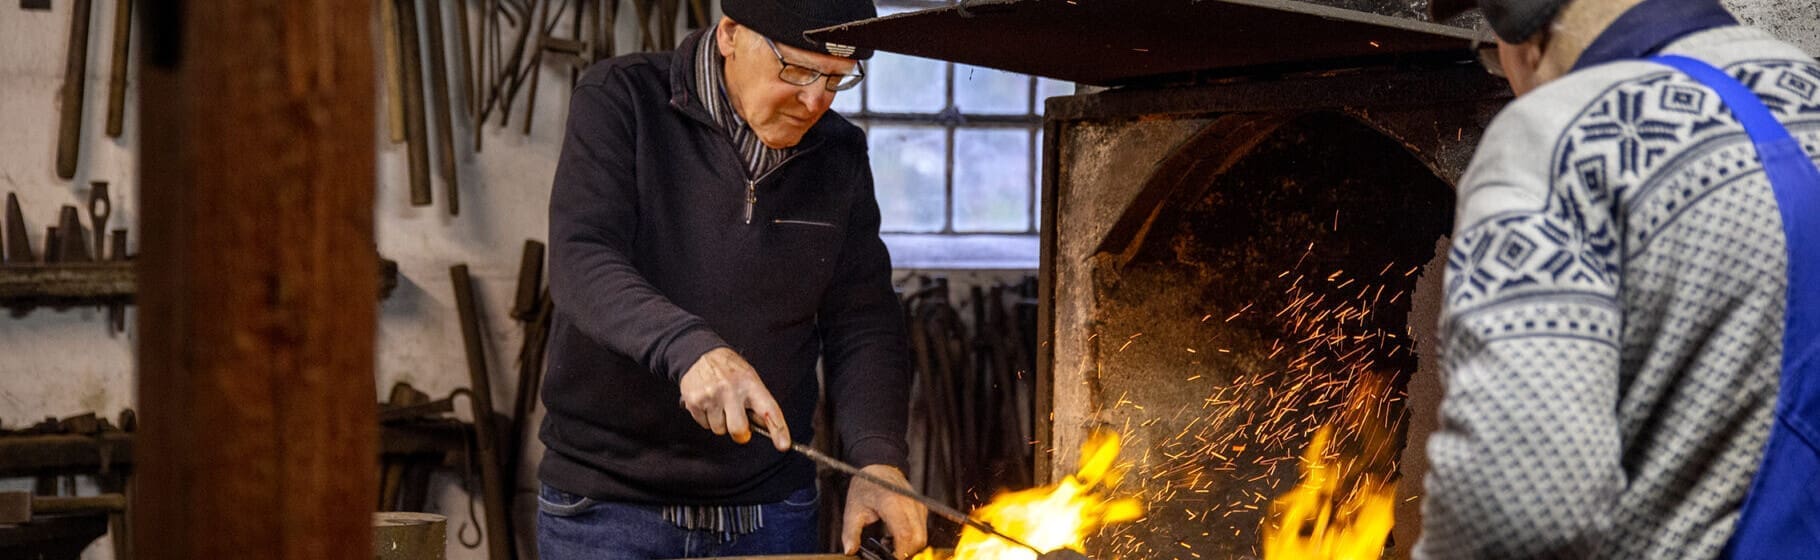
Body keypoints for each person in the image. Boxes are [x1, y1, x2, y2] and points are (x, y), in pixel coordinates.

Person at [1419, 0, 1819, 557]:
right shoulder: (1806, 86)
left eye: (1493, 55)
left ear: (1524, 33)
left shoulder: (1561, 138)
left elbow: (1517, 509)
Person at [535, 1, 927, 558]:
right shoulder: (621, 99)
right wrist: (690, 350)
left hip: (769, 507)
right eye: (796, 69)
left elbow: (862, 318)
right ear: (731, 35)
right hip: (608, 506)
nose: (815, 101)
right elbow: (582, 257)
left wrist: (878, 458)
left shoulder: (839, 153)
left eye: (837, 80)